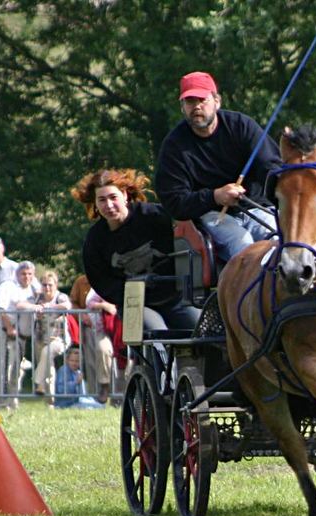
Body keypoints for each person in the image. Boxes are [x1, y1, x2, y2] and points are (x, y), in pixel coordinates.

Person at [154, 71, 281, 261]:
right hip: (212, 216)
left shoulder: (242, 126)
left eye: (202, 100)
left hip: (257, 207)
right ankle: (251, 289)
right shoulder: (174, 146)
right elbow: (174, 202)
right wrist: (215, 196)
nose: (196, 106)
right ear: (182, 107)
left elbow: (272, 169)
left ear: (217, 101)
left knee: (282, 239)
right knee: (243, 243)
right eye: (190, 101)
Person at [73, 168, 200, 333]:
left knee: (202, 331)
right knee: (158, 337)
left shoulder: (154, 216)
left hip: (175, 299)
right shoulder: (95, 239)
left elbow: (186, 239)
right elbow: (101, 280)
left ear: (125, 195)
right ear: (95, 203)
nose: (109, 205)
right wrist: (130, 289)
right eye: (102, 200)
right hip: (134, 303)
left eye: (113, 197)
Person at [0, 261, 38, 406]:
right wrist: (9, 328)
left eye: (30, 274)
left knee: (16, 369)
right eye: (23, 273)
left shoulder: (33, 289)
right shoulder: (7, 286)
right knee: (2, 368)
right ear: (17, 274)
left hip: (21, 336)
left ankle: (12, 400)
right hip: (3, 332)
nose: (26, 277)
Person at [32, 270, 71, 400]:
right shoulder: (38, 298)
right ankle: (50, 400)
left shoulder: (61, 296)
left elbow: (67, 306)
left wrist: (51, 306)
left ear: (56, 285)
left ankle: (38, 382)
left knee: (46, 352)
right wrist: (37, 313)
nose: (47, 288)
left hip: (59, 339)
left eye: (50, 285)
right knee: (48, 367)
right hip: (41, 337)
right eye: (44, 285)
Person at [85, 287, 118, 404]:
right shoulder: (100, 286)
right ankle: (104, 385)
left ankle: (121, 396)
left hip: (124, 329)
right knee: (103, 349)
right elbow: (89, 303)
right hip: (103, 330)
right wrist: (104, 305)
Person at [54, 345, 104, 409]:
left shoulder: (78, 372)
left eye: (77, 361)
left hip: (76, 401)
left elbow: (82, 394)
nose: (74, 363)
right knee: (94, 407)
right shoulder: (63, 370)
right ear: (67, 360)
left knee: (99, 405)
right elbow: (60, 390)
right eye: (72, 361)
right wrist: (75, 382)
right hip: (66, 404)